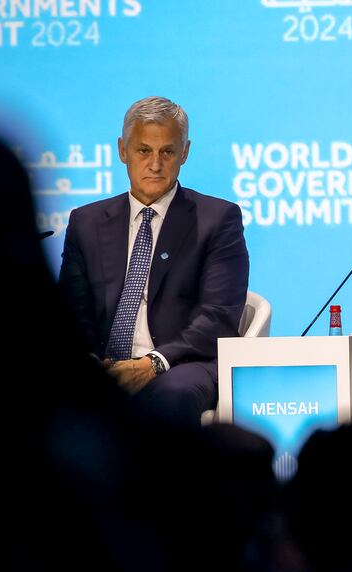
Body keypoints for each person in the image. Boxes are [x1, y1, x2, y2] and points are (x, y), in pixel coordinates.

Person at [60, 96, 249, 424]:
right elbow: (73, 312)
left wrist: (153, 363)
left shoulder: (217, 219)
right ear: (123, 151)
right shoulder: (85, 222)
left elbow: (217, 316)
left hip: (181, 364)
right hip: (105, 362)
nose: (156, 164)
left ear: (185, 153)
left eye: (168, 151)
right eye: (144, 150)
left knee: (171, 396)